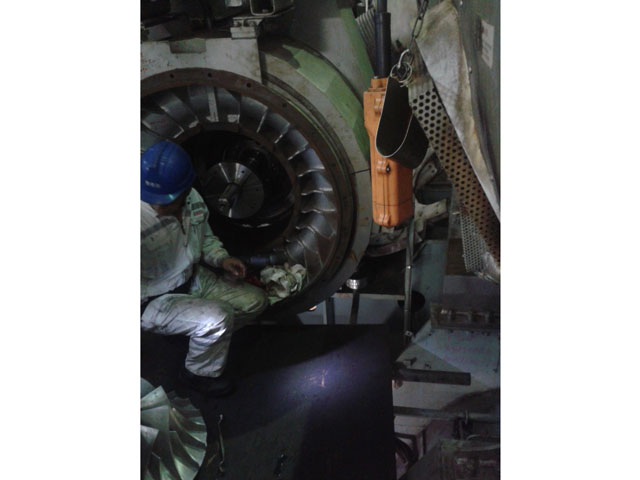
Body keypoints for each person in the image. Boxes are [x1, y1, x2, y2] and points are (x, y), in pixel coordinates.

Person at [140, 140, 268, 396]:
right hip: (152, 299)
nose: (158, 207)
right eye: (153, 200)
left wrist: (222, 260)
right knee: (217, 317)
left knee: (255, 301)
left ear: (186, 190)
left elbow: (205, 238)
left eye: (166, 201)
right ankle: (198, 374)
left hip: (192, 279)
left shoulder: (194, 200)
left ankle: (196, 337)